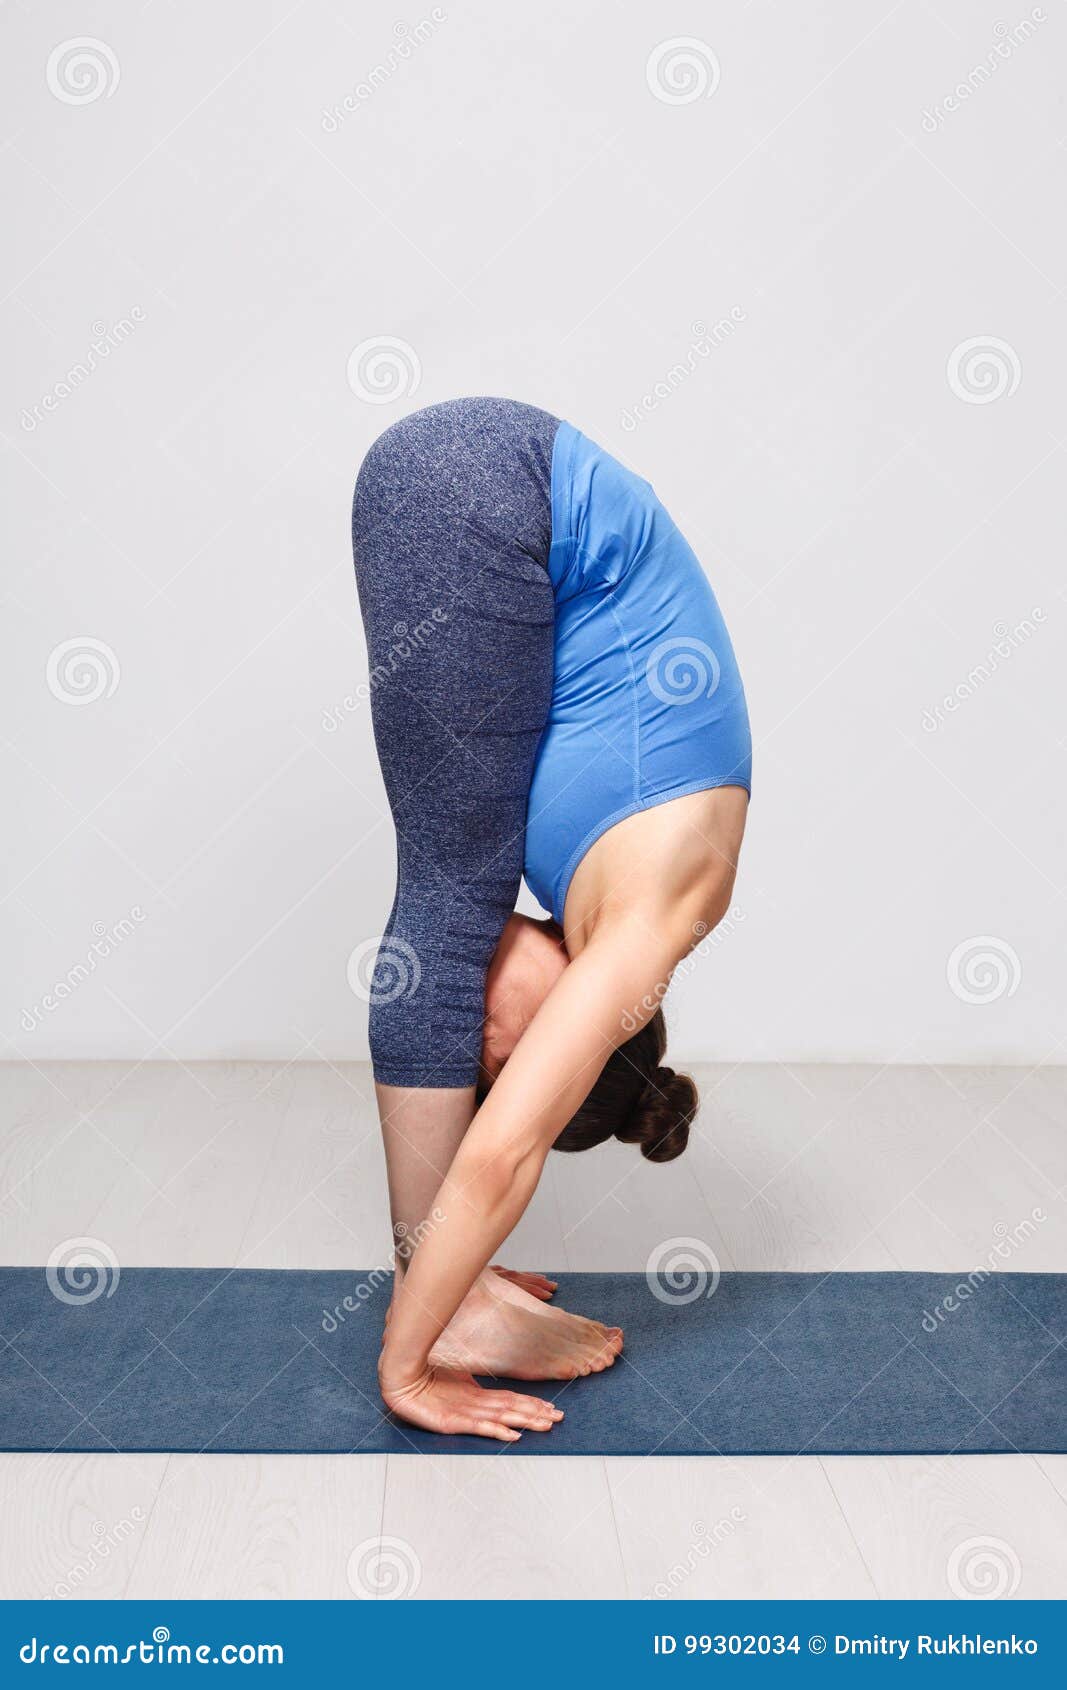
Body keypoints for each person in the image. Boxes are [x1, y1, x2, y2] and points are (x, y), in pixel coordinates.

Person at [352, 397, 750, 1440]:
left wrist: (455, 1249)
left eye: (475, 1068)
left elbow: (489, 1152)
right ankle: (449, 1309)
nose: (473, 1043)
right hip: (493, 482)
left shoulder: (576, 869)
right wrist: (409, 1356)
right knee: (445, 906)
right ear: (564, 1029)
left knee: (449, 895)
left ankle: (451, 1282)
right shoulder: (647, 930)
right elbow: (500, 1156)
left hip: (470, 476)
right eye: (499, 1059)